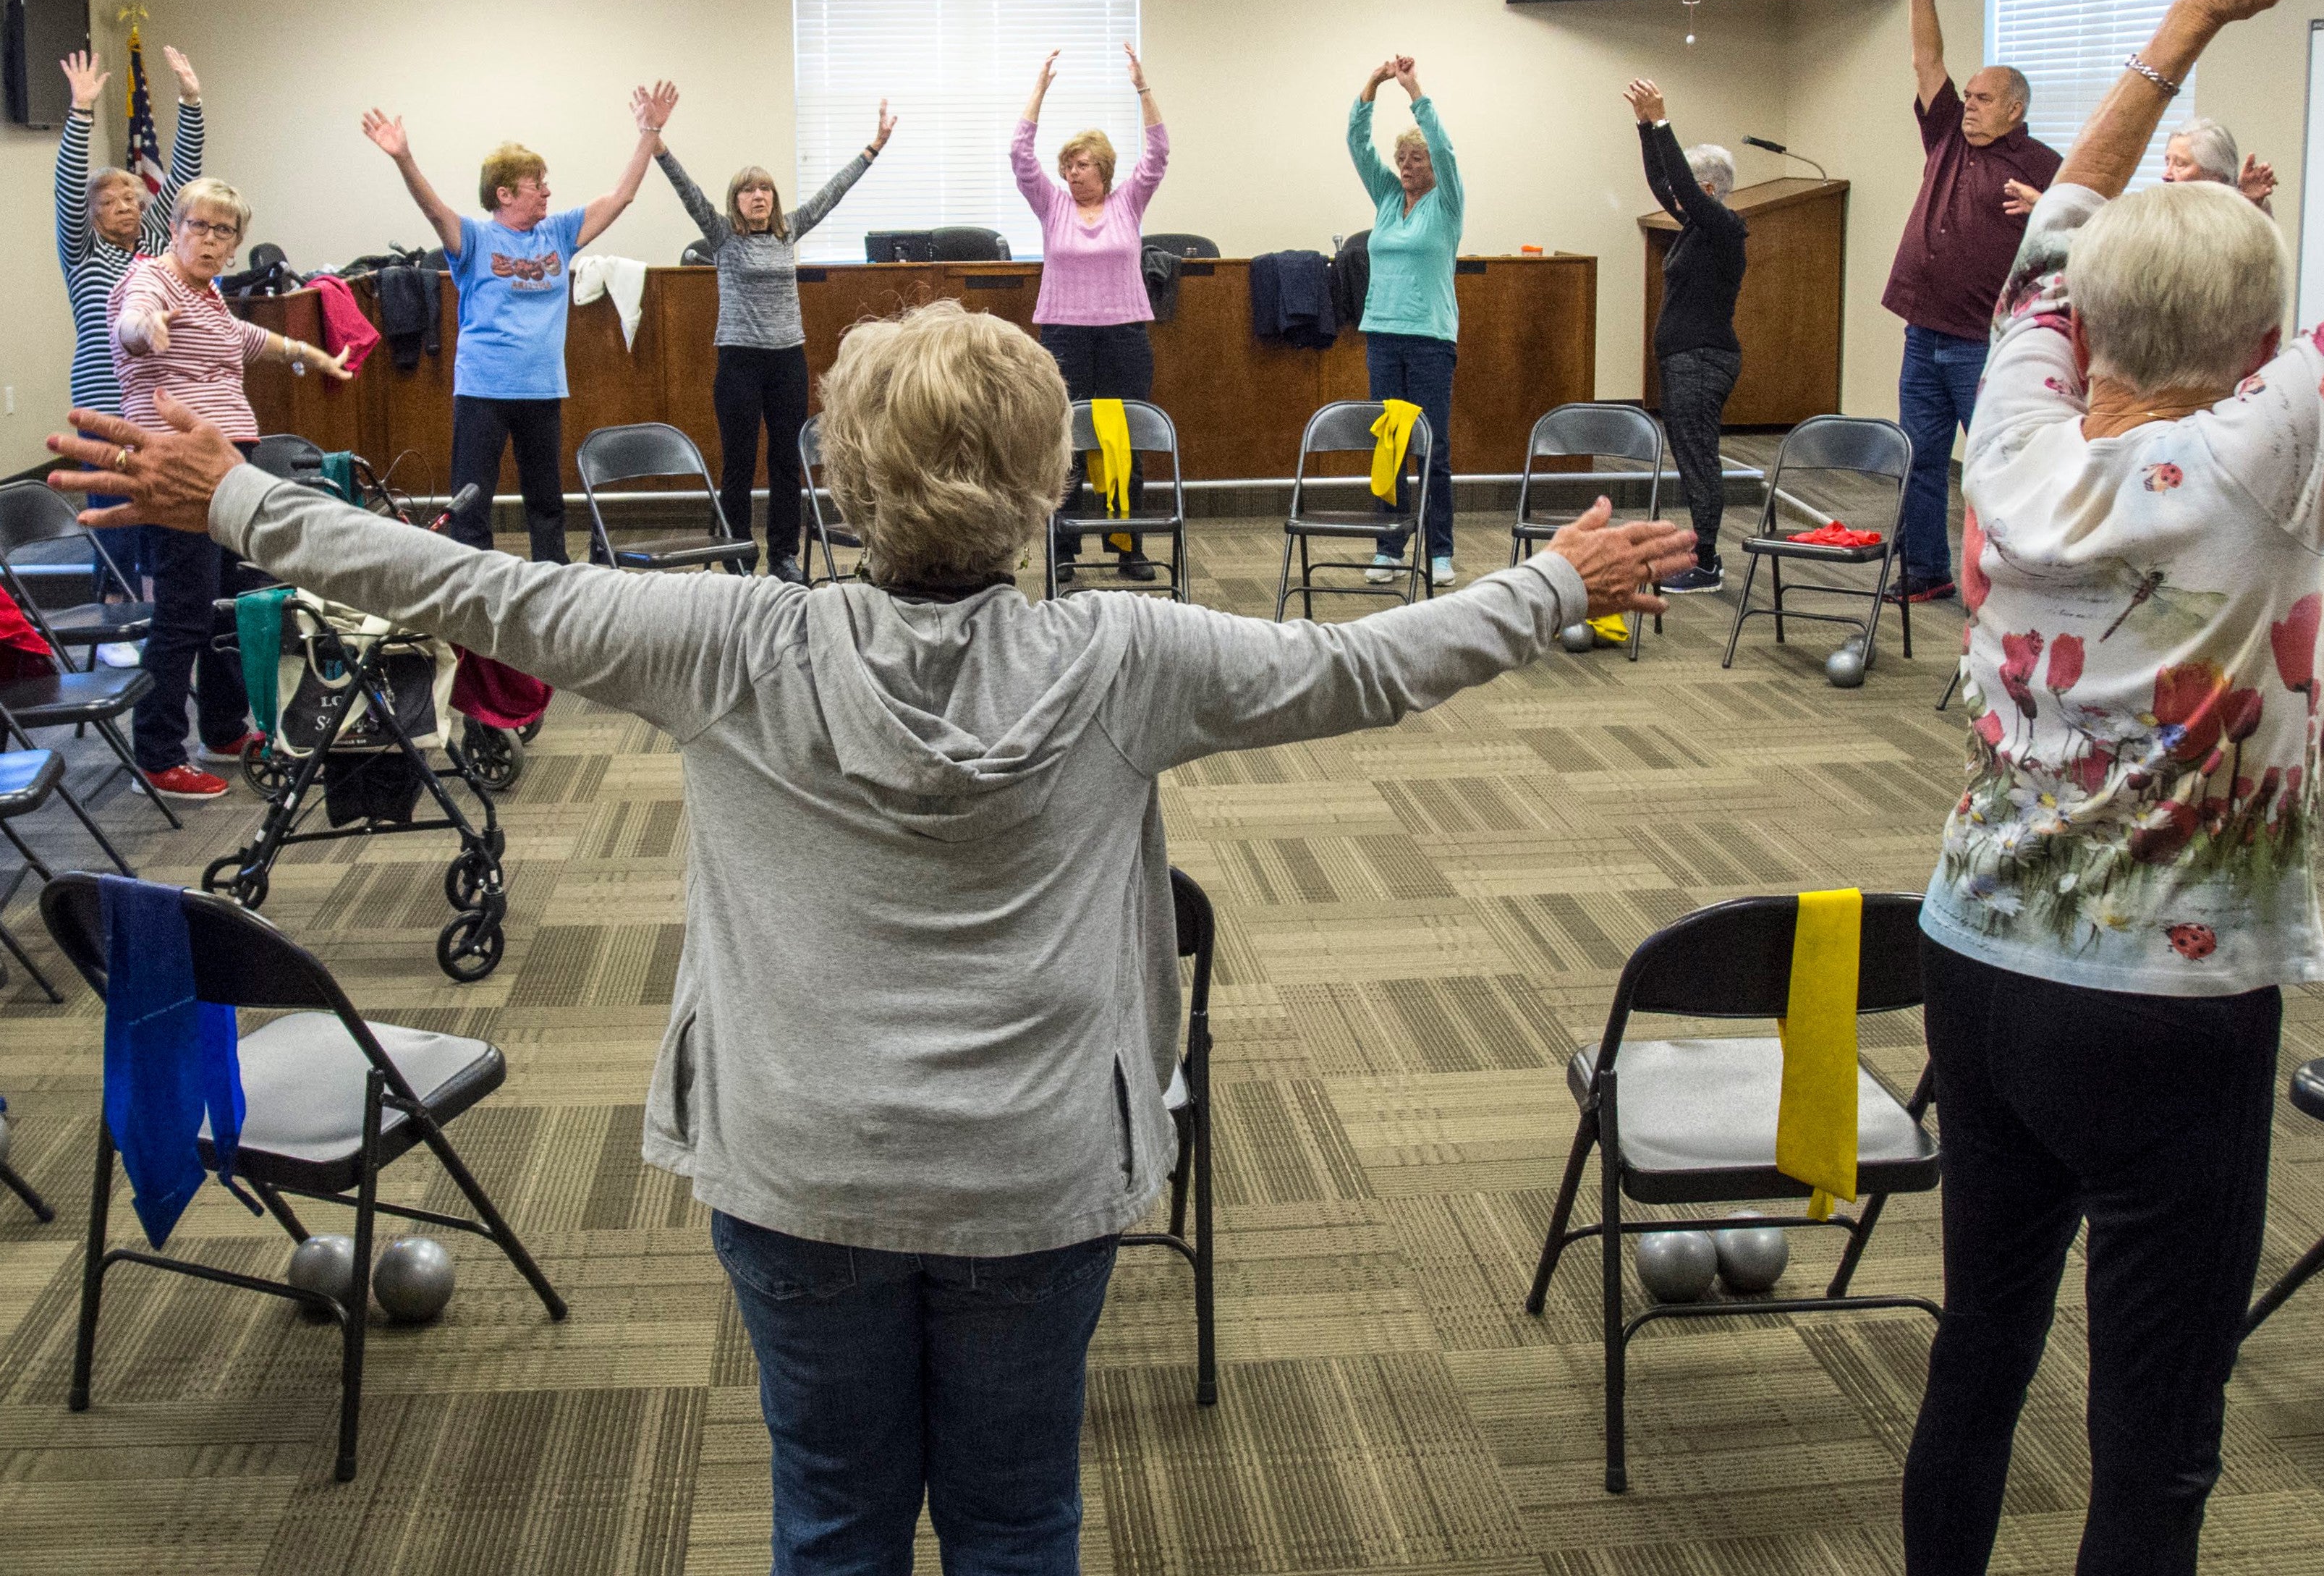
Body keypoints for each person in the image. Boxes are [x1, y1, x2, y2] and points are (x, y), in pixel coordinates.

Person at [51, 302, 1694, 1576]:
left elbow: (475, 589)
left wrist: (241, 496)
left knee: (831, 1528)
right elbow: (1363, 669)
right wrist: (1551, 580)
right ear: (1047, 482)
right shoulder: (1123, 655)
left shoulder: (724, 643)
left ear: (839, 474)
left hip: (797, 1170)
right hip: (1038, 1175)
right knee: (1014, 1525)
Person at [1904, 0, 2324, 1576]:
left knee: (1979, 1356)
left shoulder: (2009, 432)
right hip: (2163, 1013)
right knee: (2153, 1442)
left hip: (1977, 958)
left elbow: (2051, 230)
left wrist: (2193, 13)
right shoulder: (2266, 460)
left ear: (2071, 329)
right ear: (2257, 355)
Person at [106, 177, 352, 800]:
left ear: (237, 241)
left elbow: (245, 339)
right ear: (176, 227)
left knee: (225, 604)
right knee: (184, 609)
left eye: (224, 231)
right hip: (178, 467)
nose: (210, 239)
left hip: (228, 466)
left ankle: (222, 729)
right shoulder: (153, 281)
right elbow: (132, 323)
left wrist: (310, 354)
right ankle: (158, 756)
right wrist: (147, 330)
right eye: (199, 226)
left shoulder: (208, 295)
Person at [361, 83, 674, 564]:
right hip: (484, 389)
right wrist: (403, 158)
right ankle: (474, 603)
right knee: (472, 509)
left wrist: (649, 133)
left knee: (547, 507)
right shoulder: (475, 238)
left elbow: (621, 197)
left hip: (541, 390)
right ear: (504, 193)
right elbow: (432, 209)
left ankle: (551, 598)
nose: (547, 191)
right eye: (537, 184)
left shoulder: (558, 232)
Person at [1884, 0, 2063, 606]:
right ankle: (1924, 571)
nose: (1970, 105)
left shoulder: (2042, 164)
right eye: (1970, 97)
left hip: (1982, 343)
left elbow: (2099, 226)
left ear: (2014, 108)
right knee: (1920, 460)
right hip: (1921, 331)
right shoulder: (1948, 136)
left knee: (1993, 468)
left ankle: (2011, 584)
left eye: (1983, 98)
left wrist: (2047, 205)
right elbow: (1927, 62)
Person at [655, 99, 896, 580]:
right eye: (748, 190)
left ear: (775, 198)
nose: (759, 195)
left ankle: (783, 552)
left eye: (765, 188)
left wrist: (874, 147)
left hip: (787, 360)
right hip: (739, 362)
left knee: (787, 460)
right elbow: (686, 189)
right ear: (735, 201)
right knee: (739, 464)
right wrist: (658, 144)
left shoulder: (787, 234)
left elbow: (833, 193)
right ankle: (738, 552)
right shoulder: (722, 235)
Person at [54, 43, 203, 609]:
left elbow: (184, 179)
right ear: (93, 216)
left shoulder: (160, 251)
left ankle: (155, 603)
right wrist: (81, 112)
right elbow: (67, 193)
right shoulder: (84, 254)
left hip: (157, 400)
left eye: (131, 198)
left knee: (158, 505)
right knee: (114, 506)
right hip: (104, 400)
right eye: (110, 201)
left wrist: (190, 102)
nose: (124, 205)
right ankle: (114, 608)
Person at [1012, 43, 1168, 582]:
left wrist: (1142, 88)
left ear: (1103, 168)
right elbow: (1018, 155)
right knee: (1067, 445)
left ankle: (1128, 548)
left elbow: (1160, 153)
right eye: (1067, 166)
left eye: (1081, 165)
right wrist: (1039, 90)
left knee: (1126, 440)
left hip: (1124, 334)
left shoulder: (1129, 201)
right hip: (1064, 335)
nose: (1072, 174)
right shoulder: (1052, 205)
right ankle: (1066, 551)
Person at [1349, 55, 1467, 588]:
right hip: (1382, 334)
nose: (1406, 165)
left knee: (1432, 447)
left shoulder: (1446, 203)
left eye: (1415, 158)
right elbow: (1357, 145)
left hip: (1429, 338)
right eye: (1402, 157)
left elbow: (1443, 143)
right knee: (1390, 445)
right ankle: (1388, 547)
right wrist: (1371, 86)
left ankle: (1439, 550)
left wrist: (1412, 89)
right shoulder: (1387, 198)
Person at [1627, 77, 1747, 595]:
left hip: (1701, 360)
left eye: (1688, 191)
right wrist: (1643, 128)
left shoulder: (1722, 227)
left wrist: (1663, 122)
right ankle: (1702, 555)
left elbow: (1675, 180)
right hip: (1685, 358)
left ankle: (1707, 562)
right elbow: (1662, 182)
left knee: (1699, 460)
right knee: (1694, 457)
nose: (1674, 199)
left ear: (1707, 191)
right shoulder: (1697, 227)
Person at [2004, 116, 2278, 219]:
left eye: (2180, 164)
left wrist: (2250, 203)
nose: (2166, 174)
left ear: (2216, 173)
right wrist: (2044, 205)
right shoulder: (2163, 210)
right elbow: (2106, 228)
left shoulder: (2239, 212)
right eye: (2167, 161)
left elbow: (2243, 241)